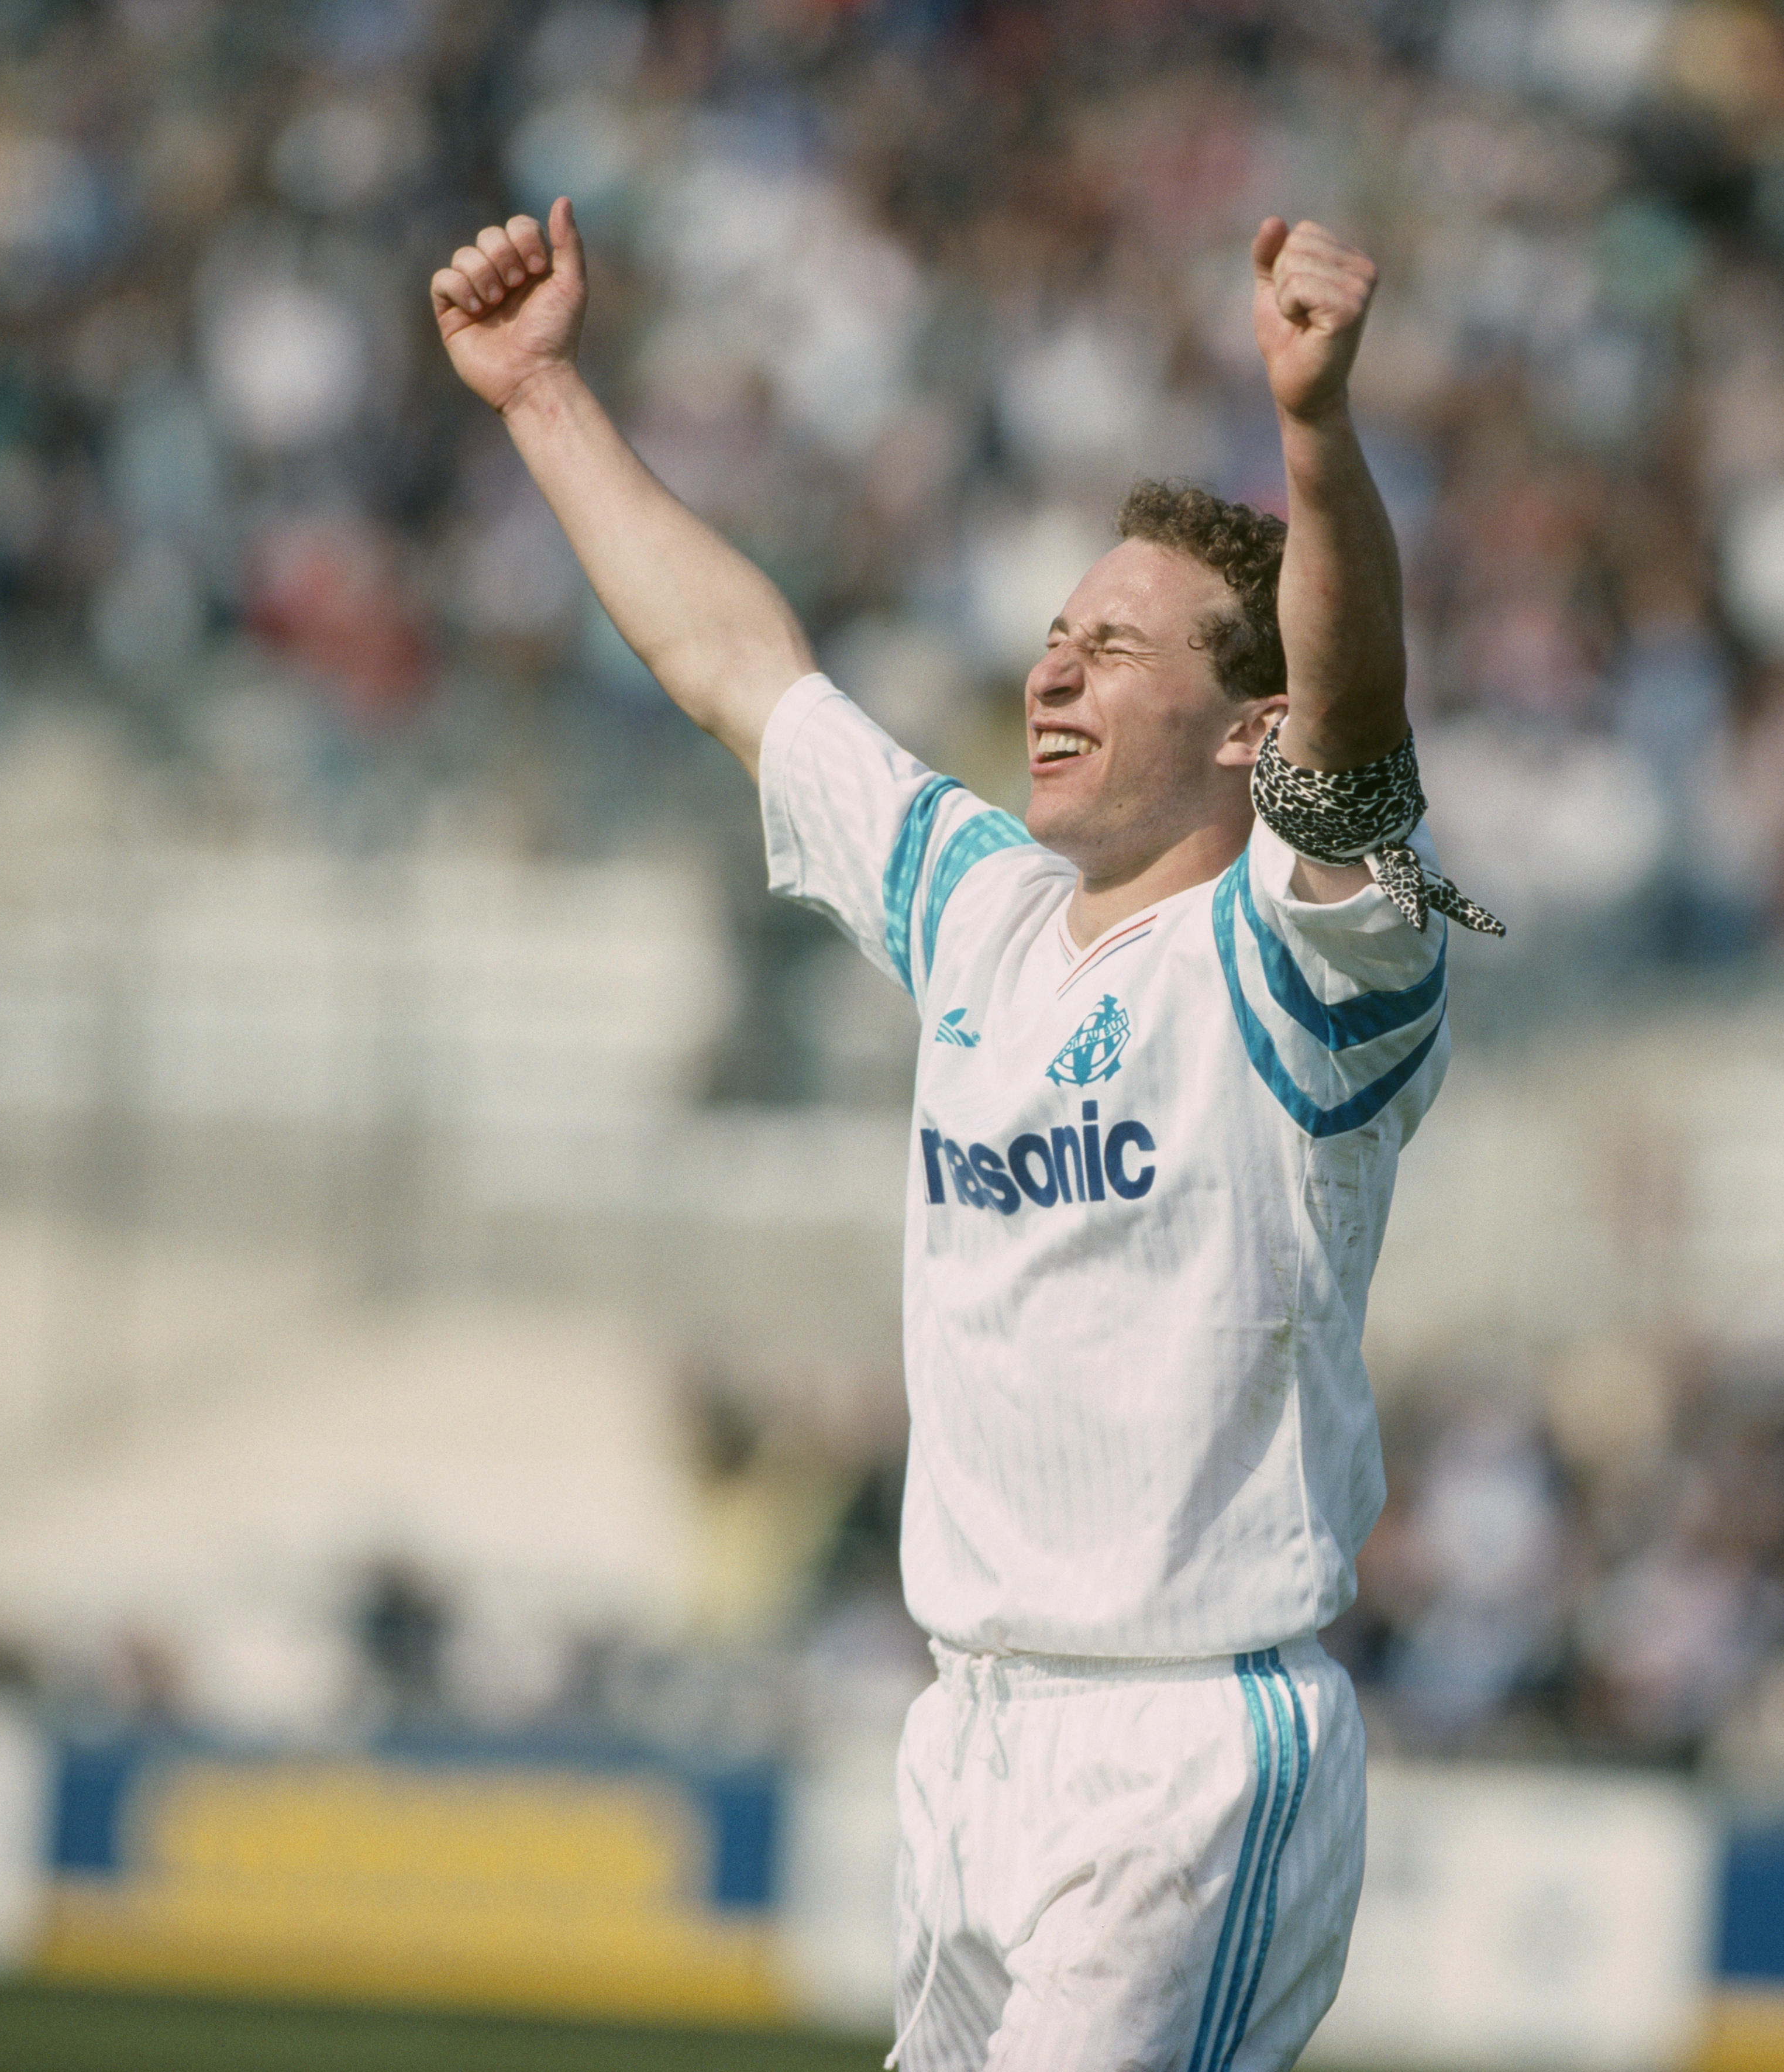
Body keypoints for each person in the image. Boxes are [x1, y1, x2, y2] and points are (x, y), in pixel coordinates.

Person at [433, 195, 1494, 2070]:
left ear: (1242, 729)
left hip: (1184, 1742)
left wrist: (1315, 437)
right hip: (972, 1729)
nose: (1052, 671)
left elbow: (1358, 724)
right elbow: (734, 666)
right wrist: (541, 399)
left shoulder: (1301, 950)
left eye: (1116, 646)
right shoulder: (976, 913)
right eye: (1056, 633)